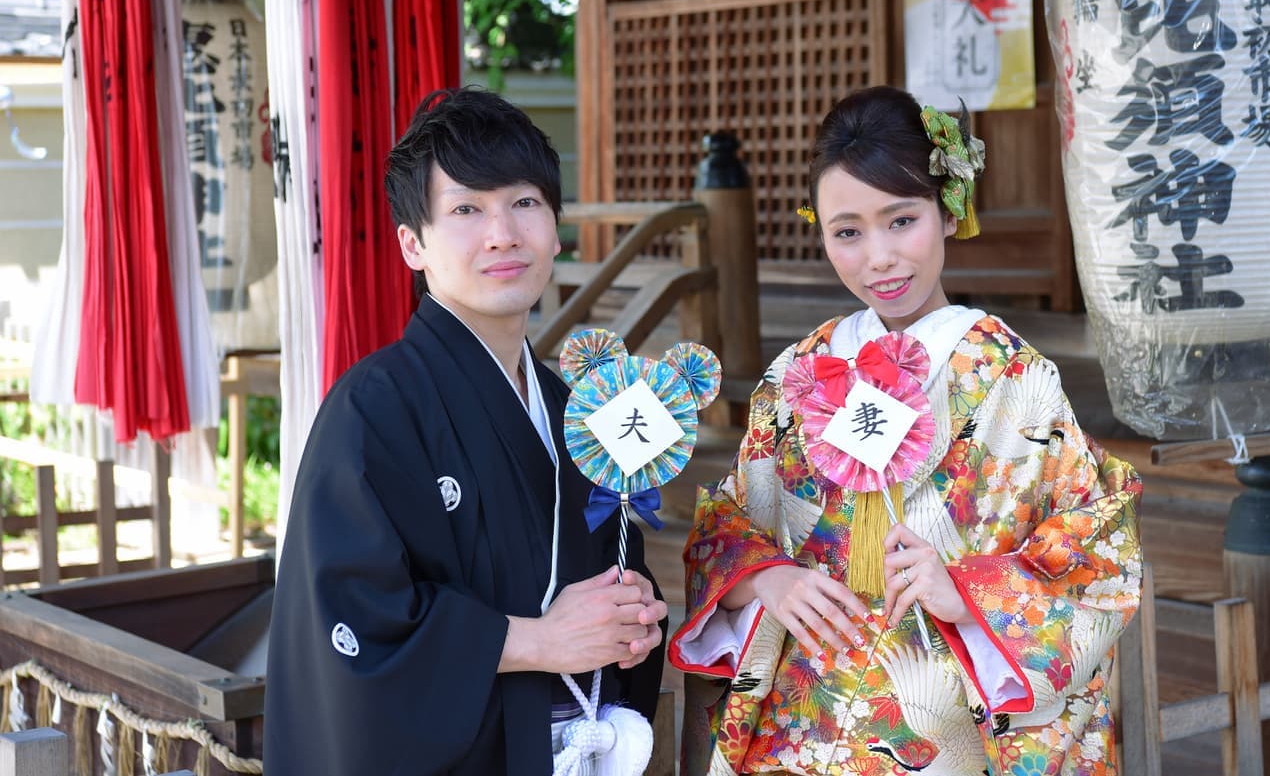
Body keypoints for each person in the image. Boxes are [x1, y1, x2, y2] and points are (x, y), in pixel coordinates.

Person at [669, 85, 1143, 775]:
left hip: (951, 728)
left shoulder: (1015, 377)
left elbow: (1098, 552)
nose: (880, 257)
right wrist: (765, 579)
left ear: (950, 210)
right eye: (848, 231)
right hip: (808, 724)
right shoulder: (799, 372)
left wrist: (973, 590)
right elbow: (728, 522)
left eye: (901, 220)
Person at [264, 87, 668, 775]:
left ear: (555, 225)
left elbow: (611, 565)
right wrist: (539, 642)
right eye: (466, 209)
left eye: (524, 202)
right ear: (412, 244)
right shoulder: (374, 408)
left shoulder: (573, 405)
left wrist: (629, 620)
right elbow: (357, 624)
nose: (502, 233)